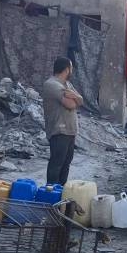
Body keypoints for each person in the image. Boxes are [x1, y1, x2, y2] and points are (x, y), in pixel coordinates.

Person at [41, 57, 84, 186]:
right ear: (66, 69)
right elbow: (71, 104)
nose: (72, 70)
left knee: (66, 164)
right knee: (57, 164)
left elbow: (80, 100)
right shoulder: (51, 84)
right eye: (71, 68)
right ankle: (50, 195)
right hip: (59, 130)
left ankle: (61, 194)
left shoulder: (67, 84)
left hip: (70, 131)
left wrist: (76, 97)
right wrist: (76, 99)